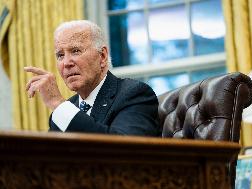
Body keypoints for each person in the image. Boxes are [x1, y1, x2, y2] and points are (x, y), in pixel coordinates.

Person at [24, 20, 161, 136]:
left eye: (76, 51)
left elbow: (124, 150)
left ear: (102, 56)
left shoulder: (134, 94)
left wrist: (56, 102)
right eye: (60, 55)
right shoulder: (63, 113)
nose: (66, 63)